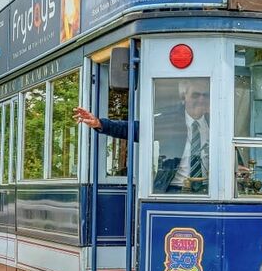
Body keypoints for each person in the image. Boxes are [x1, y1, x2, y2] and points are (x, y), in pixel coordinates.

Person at [73, 77, 211, 193]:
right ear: (184, 97)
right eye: (195, 95)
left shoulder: (215, 123)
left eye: (205, 95)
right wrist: (99, 123)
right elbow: (133, 129)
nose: (201, 99)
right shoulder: (169, 121)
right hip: (173, 189)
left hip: (208, 190)